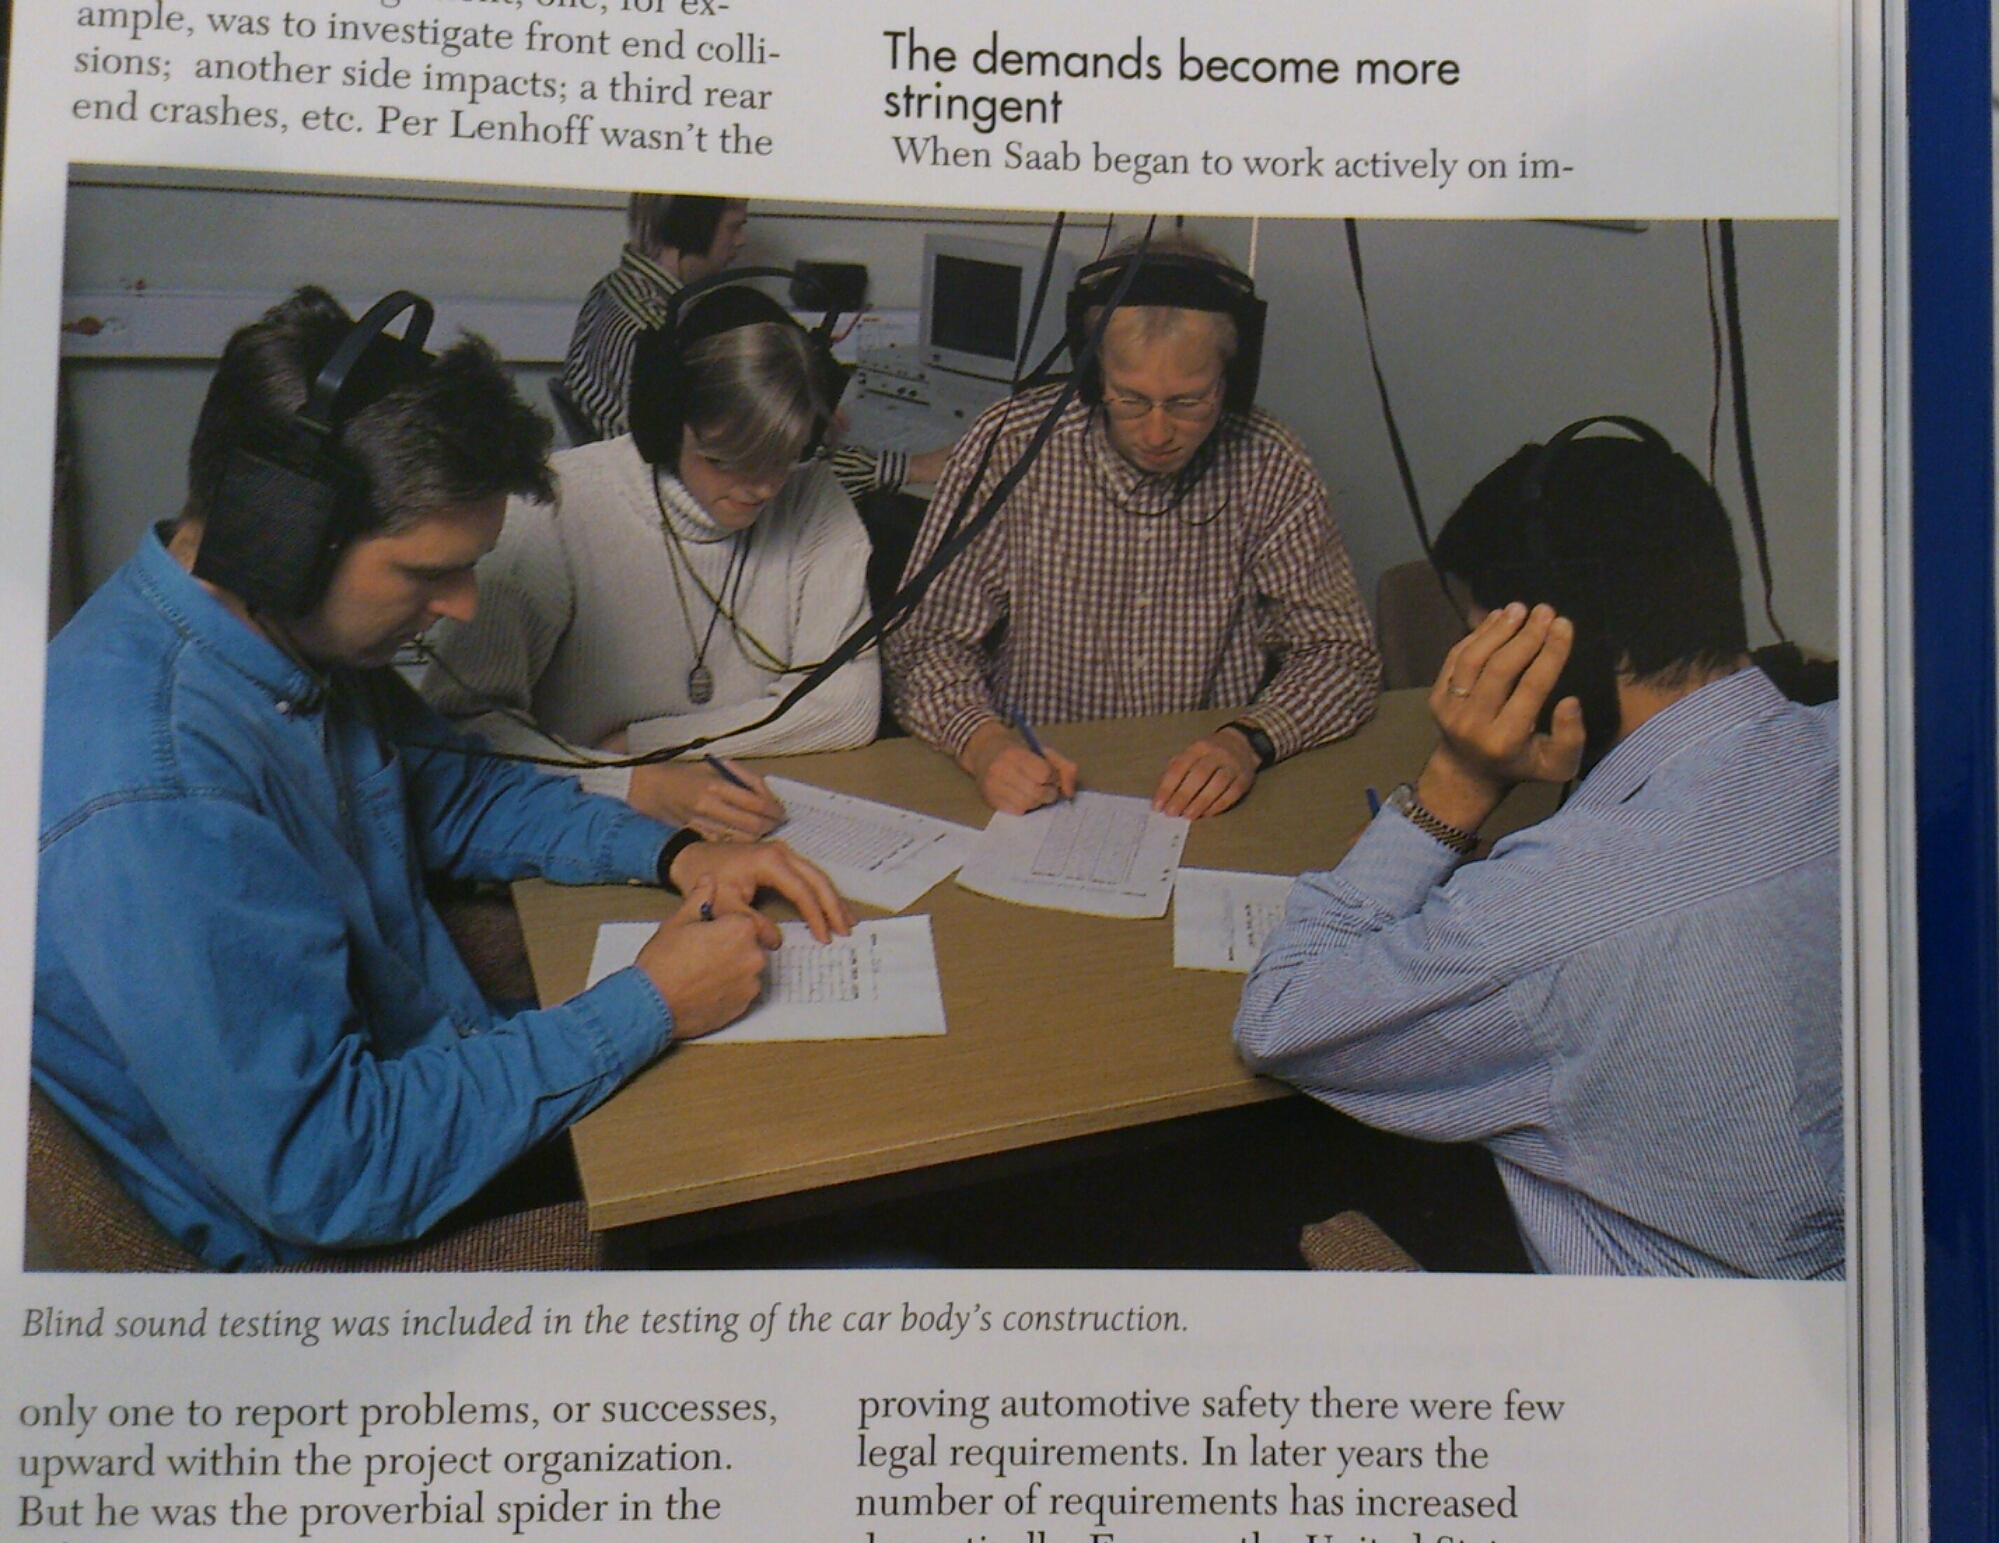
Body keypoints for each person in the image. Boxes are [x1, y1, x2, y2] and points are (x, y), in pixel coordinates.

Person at [32, 288, 852, 1271]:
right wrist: (651, 1003)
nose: (462, 605)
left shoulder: (284, 637)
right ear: (281, 534)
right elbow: (333, 1167)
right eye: (427, 572)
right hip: (350, 1232)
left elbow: (456, 792)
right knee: (833, 1217)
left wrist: (674, 851)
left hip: (425, 1085)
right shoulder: (155, 794)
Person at [1232, 424, 1842, 1278]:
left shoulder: (1539, 917)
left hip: (1664, 1345)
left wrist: (1454, 785)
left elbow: (1280, 1019)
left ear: (1554, 655)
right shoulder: (1893, 758)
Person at [885, 236, 1381, 820]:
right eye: (1130, 399)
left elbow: (1341, 654)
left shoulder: (1271, 462)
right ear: (1093, 374)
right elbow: (920, 642)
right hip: (1036, 787)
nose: (1157, 433)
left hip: (1202, 800)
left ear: (1233, 381)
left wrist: (1248, 741)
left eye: (1189, 403)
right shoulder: (1011, 447)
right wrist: (984, 743)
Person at [422, 284, 881, 842]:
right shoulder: (553, 510)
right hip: (579, 820)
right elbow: (466, 729)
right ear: (664, 425)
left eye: (783, 459)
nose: (762, 487)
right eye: (725, 460)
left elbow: (848, 707)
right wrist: (631, 782)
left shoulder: (814, 498)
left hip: (741, 814)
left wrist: (643, 745)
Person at [559, 192, 951, 495]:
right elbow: (752, 463)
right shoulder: (658, 337)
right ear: (692, 229)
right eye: (733, 227)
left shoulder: (615, 292)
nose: (741, 240)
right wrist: (912, 467)